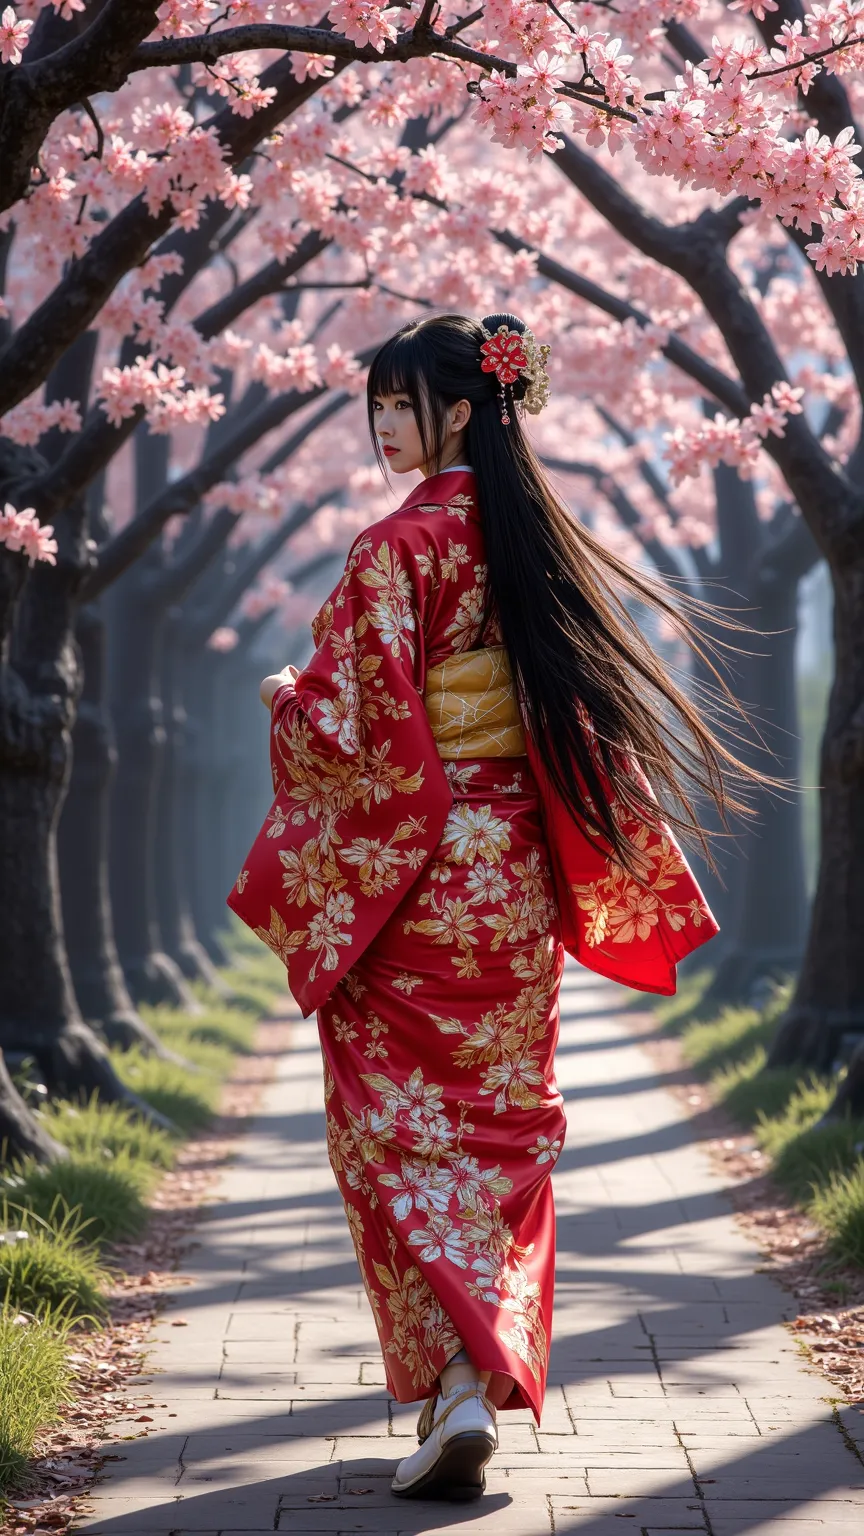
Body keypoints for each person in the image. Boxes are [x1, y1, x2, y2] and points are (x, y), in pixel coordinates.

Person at [228, 312, 749, 1503]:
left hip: (410, 886)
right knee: (502, 1127)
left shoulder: (394, 548)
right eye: (376, 405)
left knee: (391, 1127)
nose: (380, 426)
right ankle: (474, 1369)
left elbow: (357, 730)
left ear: (461, 410)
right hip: (509, 874)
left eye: (401, 405)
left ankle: (453, 1390)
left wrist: (282, 699)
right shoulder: (540, 542)